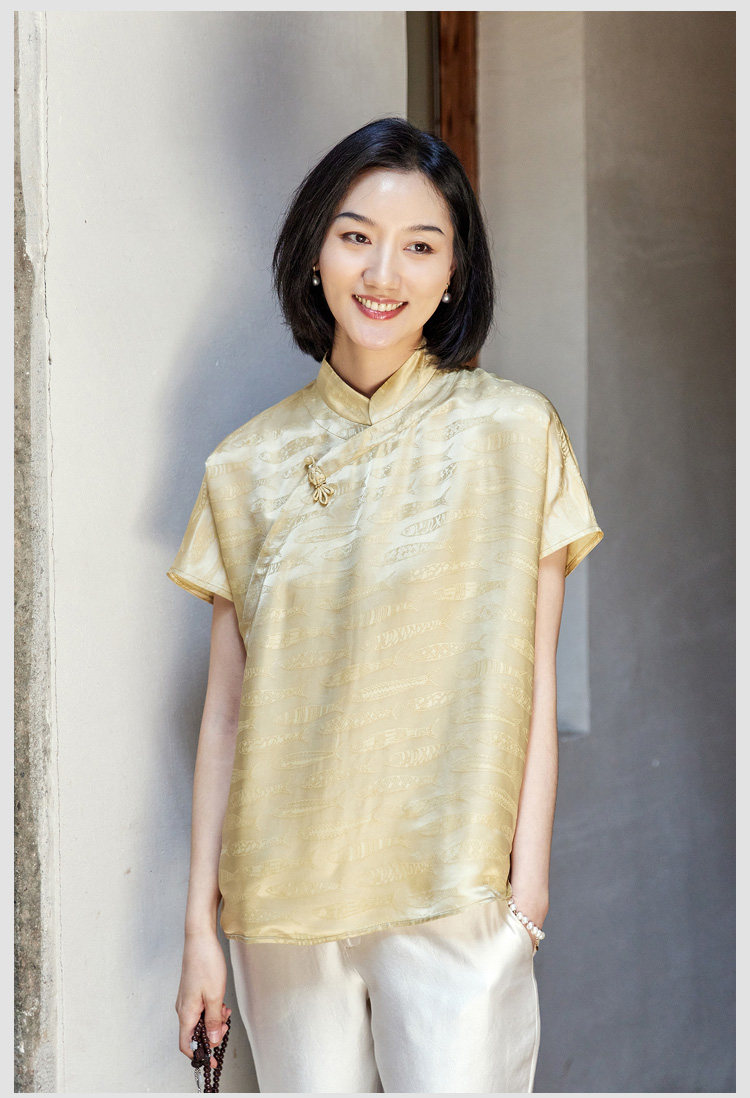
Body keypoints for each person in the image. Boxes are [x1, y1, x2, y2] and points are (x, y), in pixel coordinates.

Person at [169, 116, 603, 1093]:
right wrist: (201, 928)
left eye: (420, 246)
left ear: (453, 275)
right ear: (313, 252)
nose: (382, 273)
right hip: (282, 911)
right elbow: (227, 714)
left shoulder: (515, 434)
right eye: (356, 236)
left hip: (455, 895)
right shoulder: (246, 464)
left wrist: (526, 895)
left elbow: (533, 677)